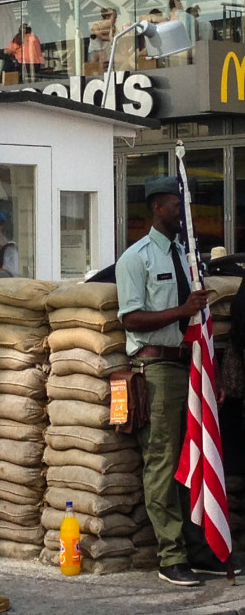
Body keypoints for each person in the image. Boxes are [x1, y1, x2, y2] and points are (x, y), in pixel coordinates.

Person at [116, 176, 237, 586]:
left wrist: (210, 371)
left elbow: (199, 319)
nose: (182, 213)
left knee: (195, 460)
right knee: (163, 463)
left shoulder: (187, 256)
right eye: (175, 205)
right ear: (156, 208)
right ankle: (170, 555)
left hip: (190, 367)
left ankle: (200, 550)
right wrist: (181, 309)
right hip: (158, 369)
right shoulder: (138, 258)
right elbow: (131, 318)